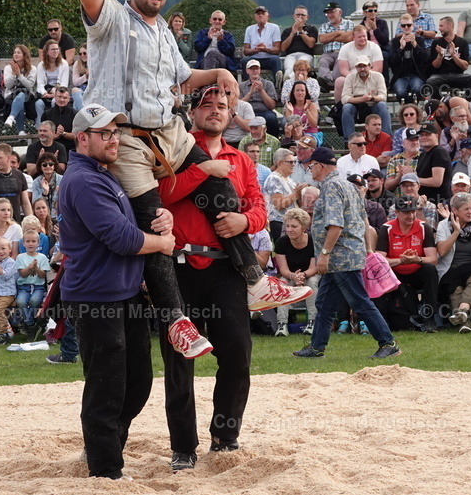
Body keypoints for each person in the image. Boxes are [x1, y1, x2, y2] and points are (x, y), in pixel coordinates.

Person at [77, 0, 301, 323]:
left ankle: (255, 282)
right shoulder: (113, 20)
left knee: (219, 184)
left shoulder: (164, 30)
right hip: (126, 137)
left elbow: (184, 77)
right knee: (156, 224)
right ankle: (177, 321)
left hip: (169, 132)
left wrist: (218, 71)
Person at [155, 86, 287, 469]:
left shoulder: (242, 160)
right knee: (178, 361)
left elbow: (259, 208)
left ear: (231, 115)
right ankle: (183, 447)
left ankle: (225, 436)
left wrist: (244, 220)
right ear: (194, 113)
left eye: (222, 106)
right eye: (207, 105)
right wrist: (201, 171)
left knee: (237, 356)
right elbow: (160, 194)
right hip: (178, 267)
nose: (215, 111)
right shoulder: (173, 150)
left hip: (225, 269)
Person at [58, 103, 177, 479]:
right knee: (106, 387)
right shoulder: (85, 180)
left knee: (137, 383)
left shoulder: (102, 174)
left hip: (122, 294)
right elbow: (121, 238)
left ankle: (102, 449)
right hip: (95, 298)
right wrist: (163, 243)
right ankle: (105, 469)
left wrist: (162, 218)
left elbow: (131, 225)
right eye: (105, 133)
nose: (114, 140)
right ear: (82, 139)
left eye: (116, 132)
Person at [293, 147, 400, 359]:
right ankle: (316, 347)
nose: (310, 169)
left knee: (360, 302)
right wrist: (366, 249)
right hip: (345, 256)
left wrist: (324, 254)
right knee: (324, 304)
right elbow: (362, 219)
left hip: (340, 258)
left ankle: (388, 343)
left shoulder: (331, 186)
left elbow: (336, 225)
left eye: (312, 165)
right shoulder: (349, 186)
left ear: (320, 166)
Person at [378, 195, 440, 332]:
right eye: (406, 212)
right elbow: (380, 260)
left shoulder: (424, 227)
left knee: (430, 270)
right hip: (395, 274)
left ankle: (430, 319)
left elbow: (433, 259)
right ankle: (382, 320)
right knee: (380, 274)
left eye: (413, 211)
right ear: (396, 213)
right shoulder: (386, 228)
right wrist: (400, 261)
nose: (411, 216)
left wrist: (417, 260)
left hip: (417, 272)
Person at [436, 192, 471, 333]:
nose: (470, 212)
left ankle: (462, 313)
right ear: (455, 210)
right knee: (455, 289)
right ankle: (465, 321)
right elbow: (442, 252)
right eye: (466, 209)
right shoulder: (444, 225)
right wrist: (456, 232)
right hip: (451, 269)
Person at [273, 207, 319, 336]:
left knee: (311, 282)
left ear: (303, 227)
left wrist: (303, 275)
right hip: (290, 274)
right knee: (282, 283)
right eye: (287, 226)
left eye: (294, 226)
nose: (289, 229)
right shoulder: (281, 242)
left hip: (310, 274)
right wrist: (293, 276)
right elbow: (283, 269)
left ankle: (312, 322)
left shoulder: (312, 241)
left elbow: (313, 268)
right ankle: (282, 324)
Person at [426, 16, 471, 98]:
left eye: (441, 26)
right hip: (441, 76)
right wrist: (440, 55)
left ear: (450, 26)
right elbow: (435, 66)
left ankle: (463, 102)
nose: (439, 29)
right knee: (430, 81)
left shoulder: (462, 42)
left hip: (458, 76)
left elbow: (465, 66)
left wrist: (453, 55)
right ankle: (441, 103)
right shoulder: (436, 42)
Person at [263, 149, 304, 243]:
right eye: (290, 162)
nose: (293, 164)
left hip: (291, 222)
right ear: (279, 163)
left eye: (294, 162)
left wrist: (300, 193)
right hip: (279, 223)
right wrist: (296, 194)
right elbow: (279, 205)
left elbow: (296, 202)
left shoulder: (289, 179)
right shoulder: (274, 178)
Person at [14, 230, 50, 335]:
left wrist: (36, 268)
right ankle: (31, 325)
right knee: (20, 302)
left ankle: (30, 323)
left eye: (33, 241)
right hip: (24, 287)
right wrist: (30, 267)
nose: (31, 244)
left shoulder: (42, 257)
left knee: (34, 301)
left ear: (38, 243)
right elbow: (23, 274)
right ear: (23, 243)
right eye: (28, 241)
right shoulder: (20, 257)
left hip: (38, 287)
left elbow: (43, 275)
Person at [388, 13, 428, 100]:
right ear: (400, 27)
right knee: (400, 91)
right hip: (400, 76)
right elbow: (392, 61)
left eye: (409, 25)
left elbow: (425, 59)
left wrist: (415, 45)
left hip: (416, 75)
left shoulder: (419, 40)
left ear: (413, 26)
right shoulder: (395, 41)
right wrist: (401, 48)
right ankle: (405, 108)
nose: (406, 27)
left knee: (417, 89)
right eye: (403, 25)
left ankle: (414, 107)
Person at [239, 60, 280, 137]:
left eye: (257, 69)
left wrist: (262, 91)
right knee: (240, 119)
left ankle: (274, 140)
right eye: (252, 69)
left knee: (271, 118)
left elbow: (272, 106)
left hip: (265, 111)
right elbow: (239, 105)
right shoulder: (241, 86)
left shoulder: (268, 84)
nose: (255, 71)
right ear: (247, 71)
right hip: (248, 112)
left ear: (260, 70)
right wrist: (250, 92)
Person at [2, 44, 37, 135]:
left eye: (19, 52)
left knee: (21, 95)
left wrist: (20, 75)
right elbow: (8, 86)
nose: (16, 54)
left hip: (28, 96)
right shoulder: (8, 68)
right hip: (11, 95)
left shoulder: (32, 69)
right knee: (19, 100)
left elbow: (29, 86)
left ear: (24, 55)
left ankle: (11, 118)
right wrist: (14, 74)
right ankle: (21, 132)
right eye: (14, 53)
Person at [34, 39, 71, 124]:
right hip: (46, 92)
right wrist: (45, 93)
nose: (55, 51)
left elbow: (64, 84)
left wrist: (55, 93)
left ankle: (55, 125)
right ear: (47, 52)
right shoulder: (41, 65)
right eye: (53, 49)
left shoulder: (64, 64)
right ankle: (40, 127)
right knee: (38, 104)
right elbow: (40, 84)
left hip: (60, 91)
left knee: (55, 101)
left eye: (57, 49)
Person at [242, 6, 282, 76]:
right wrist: (255, 50)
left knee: (276, 59)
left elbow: (277, 49)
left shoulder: (274, 28)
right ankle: (247, 82)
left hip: (269, 59)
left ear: (268, 16)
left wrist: (266, 49)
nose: (260, 15)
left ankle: (278, 81)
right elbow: (245, 51)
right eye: (258, 14)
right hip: (254, 59)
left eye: (263, 13)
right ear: (255, 17)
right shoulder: (249, 29)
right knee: (244, 61)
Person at [279, 6, 318, 78]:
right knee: (289, 69)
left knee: (299, 67)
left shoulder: (312, 29)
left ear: (307, 17)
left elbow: (311, 44)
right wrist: (292, 34)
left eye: (303, 15)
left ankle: (287, 79)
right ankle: (287, 79)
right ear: (294, 16)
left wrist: (300, 31)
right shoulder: (287, 31)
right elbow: (283, 48)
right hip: (291, 55)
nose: (300, 17)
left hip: (306, 55)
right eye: (298, 14)